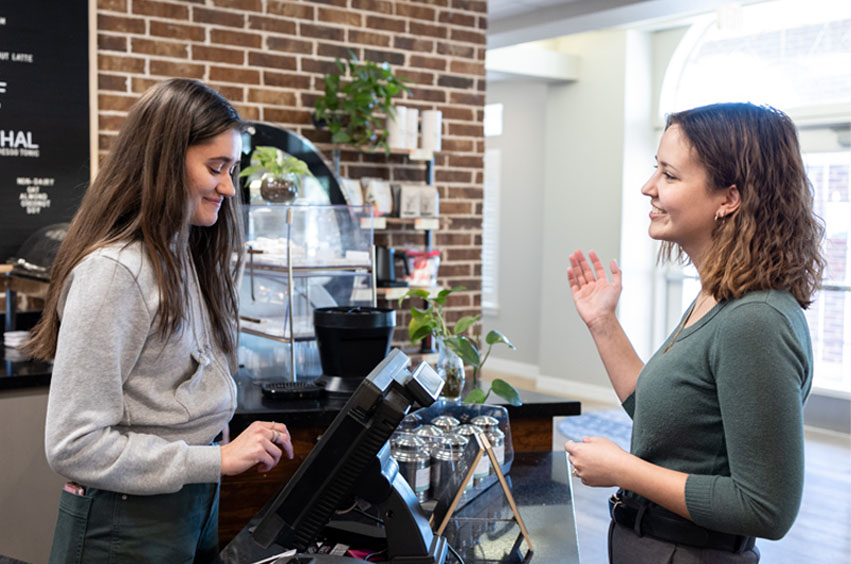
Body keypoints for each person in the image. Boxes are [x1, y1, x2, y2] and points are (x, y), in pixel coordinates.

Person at [27, 78, 294, 563]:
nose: (228, 187)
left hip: (189, 505)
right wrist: (214, 458)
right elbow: (74, 445)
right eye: (215, 168)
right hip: (124, 524)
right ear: (165, 160)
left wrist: (225, 442)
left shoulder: (183, 252)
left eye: (232, 169)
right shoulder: (114, 273)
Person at [564, 103, 824, 563]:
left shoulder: (755, 319)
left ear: (729, 198)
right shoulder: (718, 296)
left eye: (669, 175)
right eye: (655, 170)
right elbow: (660, 415)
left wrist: (624, 469)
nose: (648, 188)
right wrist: (603, 323)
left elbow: (766, 507)